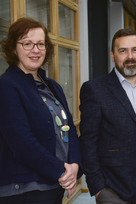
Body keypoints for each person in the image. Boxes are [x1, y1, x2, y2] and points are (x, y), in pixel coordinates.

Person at [79, 28, 136, 204]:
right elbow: (88, 140)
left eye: (135, 50)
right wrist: (97, 187)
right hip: (112, 187)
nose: (130, 56)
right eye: (123, 51)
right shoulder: (95, 89)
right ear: (113, 55)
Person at [0, 17, 82, 204]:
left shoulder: (53, 86)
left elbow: (69, 130)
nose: (35, 50)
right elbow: (22, 144)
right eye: (27, 44)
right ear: (14, 48)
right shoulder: (6, 85)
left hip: (52, 185)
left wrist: (75, 166)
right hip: (24, 191)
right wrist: (61, 171)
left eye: (40, 44)